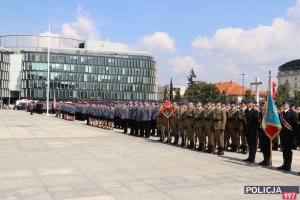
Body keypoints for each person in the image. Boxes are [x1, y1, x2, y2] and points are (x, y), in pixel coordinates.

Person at [277, 100, 298, 172]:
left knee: (288, 150)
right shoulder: (281, 113)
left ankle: (288, 165)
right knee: (284, 149)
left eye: (285, 104)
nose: (283, 105)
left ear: (288, 105)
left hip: (289, 135)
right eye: (283, 104)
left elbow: (295, 125)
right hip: (282, 134)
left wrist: (294, 136)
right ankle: (284, 164)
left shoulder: (293, 113)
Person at [257, 101, 270, 166]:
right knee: (262, 147)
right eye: (261, 106)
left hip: (267, 132)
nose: (261, 107)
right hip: (261, 131)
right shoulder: (260, 113)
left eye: (263, 106)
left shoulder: (268, 113)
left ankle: (268, 160)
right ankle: (265, 159)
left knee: (267, 146)